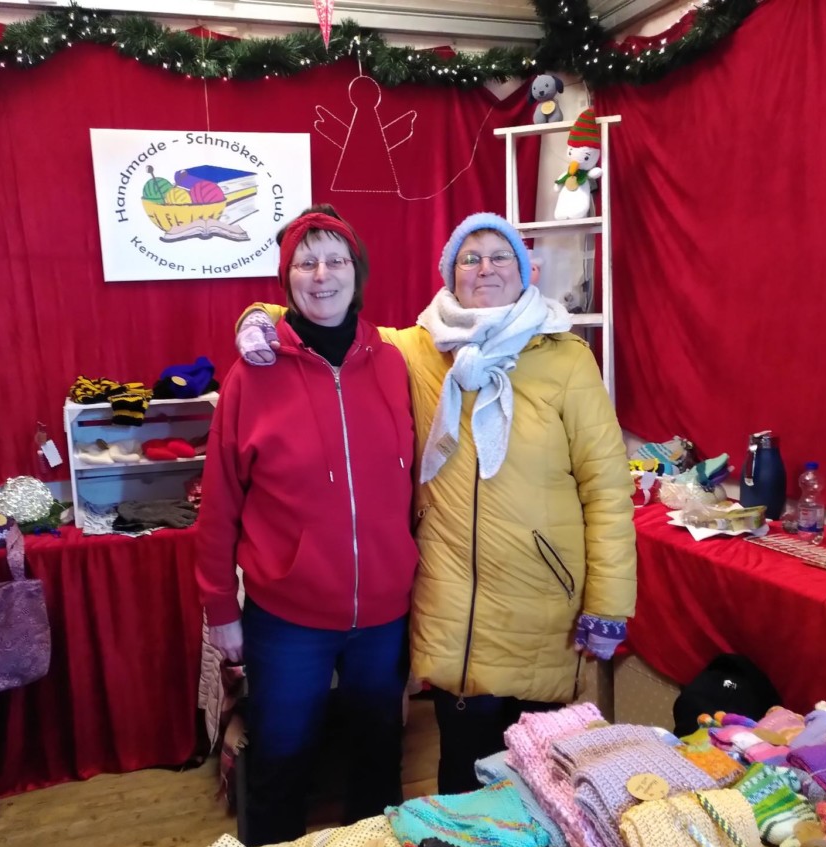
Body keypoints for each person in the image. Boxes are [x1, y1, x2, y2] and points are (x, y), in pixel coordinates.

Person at [235, 213, 636, 794]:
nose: (485, 268)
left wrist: (610, 601)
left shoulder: (566, 358)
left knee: (544, 785)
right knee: (463, 782)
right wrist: (260, 317)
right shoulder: (418, 349)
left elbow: (606, 486)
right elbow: (327, 322)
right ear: (450, 273)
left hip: (544, 600)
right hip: (455, 609)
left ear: (525, 271)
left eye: (500, 257)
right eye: (469, 258)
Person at [196, 205, 418, 844]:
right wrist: (221, 610)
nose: (322, 276)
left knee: (378, 758)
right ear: (286, 277)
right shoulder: (252, 373)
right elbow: (220, 504)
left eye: (336, 260)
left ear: (357, 272)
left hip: (382, 612)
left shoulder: (392, 362)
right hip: (287, 614)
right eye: (306, 262)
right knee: (282, 762)